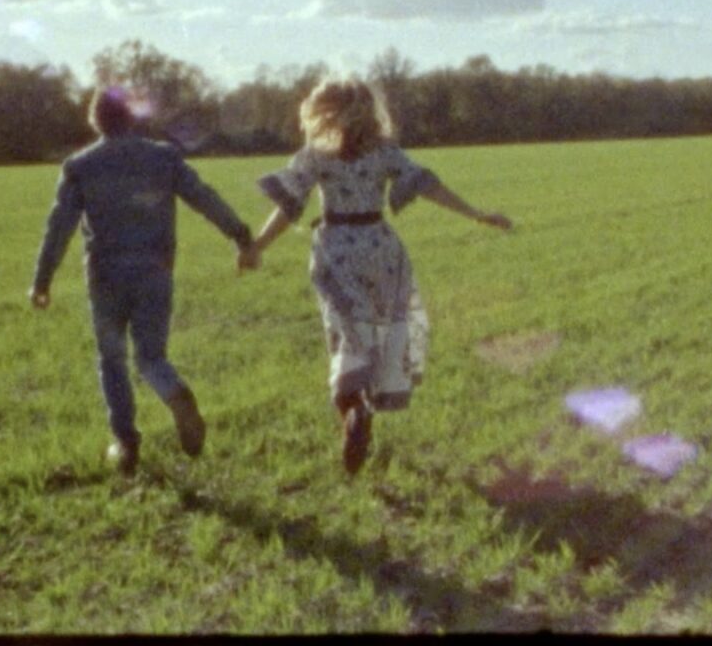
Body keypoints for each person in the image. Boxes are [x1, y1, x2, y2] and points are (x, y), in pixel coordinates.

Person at [244, 77, 512, 474]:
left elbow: (289, 207)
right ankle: (363, 409)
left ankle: (353, 413)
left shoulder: (316, 155)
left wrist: (258, 245)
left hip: (336, 251)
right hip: (383, 251)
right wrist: (476, 214)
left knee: (346, 337)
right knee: (379, 334)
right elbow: (428, 186)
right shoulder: (385, 151)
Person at [33, 87, 262, 477]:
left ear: (96, 121)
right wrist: (240, 234)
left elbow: (59, 227)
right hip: (156, 271)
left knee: (112, 359)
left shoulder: (79, 166)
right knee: (151, 357)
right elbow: (204, 197)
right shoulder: (164, 157)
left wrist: (42, 279)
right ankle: (174, 392)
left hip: (105, 276)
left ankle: (125, 443)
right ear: (132, 118)